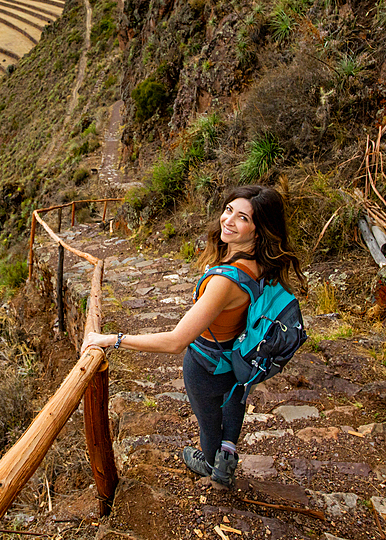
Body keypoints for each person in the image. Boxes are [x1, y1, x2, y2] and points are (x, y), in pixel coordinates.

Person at [81, 184, 305, 489]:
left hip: (206, 364)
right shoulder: (264, 266)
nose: (228, 220)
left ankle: (212, 462)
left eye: (242, 218)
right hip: (241, 357)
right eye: (228, 210)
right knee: (235, 399)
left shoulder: (225, 282)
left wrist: (113, 340)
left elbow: (176, 341)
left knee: (209, 419)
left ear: (258, 230)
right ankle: (229, 449)